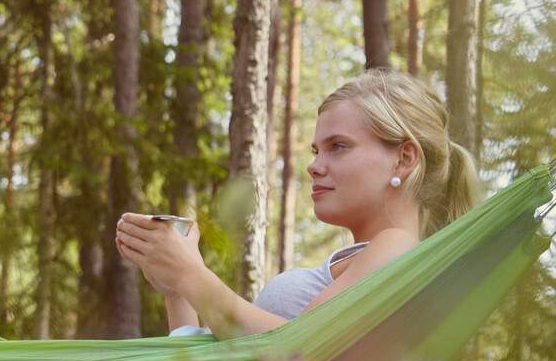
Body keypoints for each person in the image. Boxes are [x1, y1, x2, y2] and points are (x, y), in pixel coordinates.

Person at [116, 69, 480, 337]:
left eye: (338, 146)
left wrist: (190, 274)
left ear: (403, 159)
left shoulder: (398, 247)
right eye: (316, 150)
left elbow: (297, 355)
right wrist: (178, 293)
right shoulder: (364, 263)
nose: (314, 166)